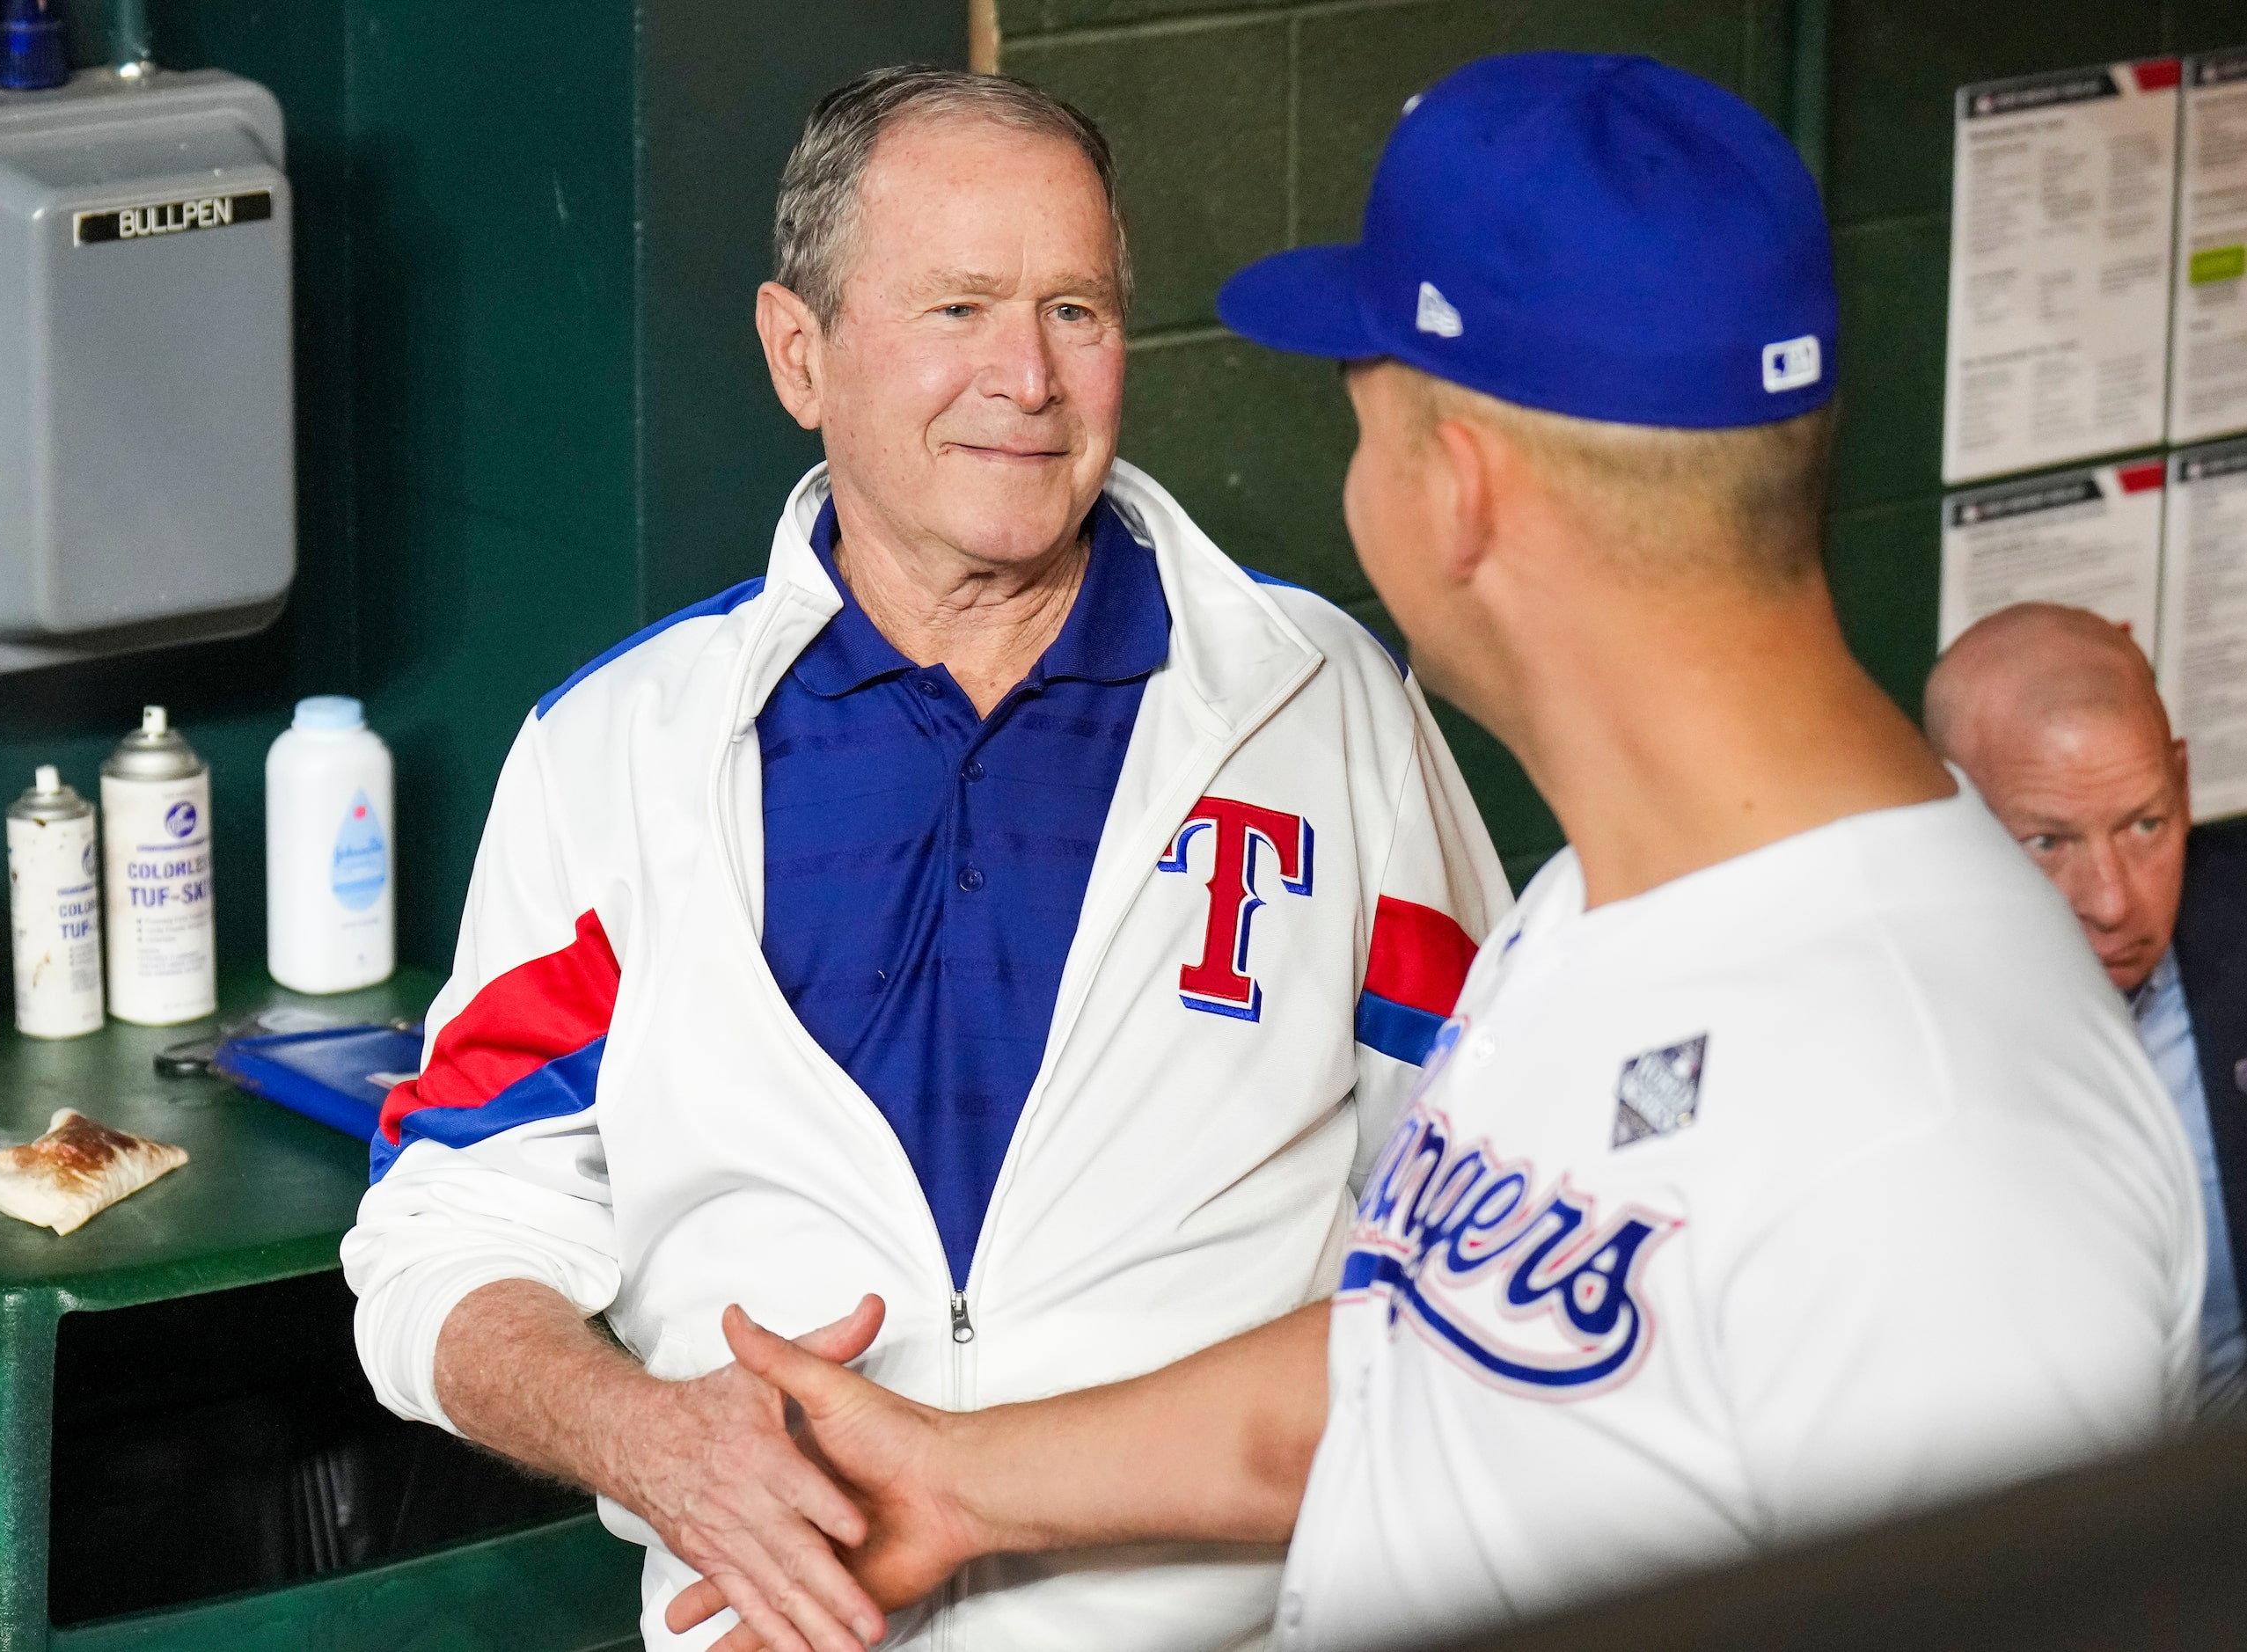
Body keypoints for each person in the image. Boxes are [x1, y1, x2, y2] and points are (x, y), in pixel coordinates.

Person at [666, 52, 2207, 1652]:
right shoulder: (1592, 910)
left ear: (1455, 490)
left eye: (1361, 421)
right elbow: (1425, 1359)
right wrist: (967, 1476)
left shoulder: (1936, 1127)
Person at [340, 65, 1509, 1652]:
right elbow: (445, 1227)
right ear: (796, 352)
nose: (1025, 376)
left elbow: (1486, 1203)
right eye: (957, 306)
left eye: (1076, 311)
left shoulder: (1317, 708)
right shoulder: (621, 752)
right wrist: (645, 1434)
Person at [1929, 602, 2247, 1416]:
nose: (2111, 901)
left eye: (2146, 825)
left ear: (2182, 780)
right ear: (1949, 820)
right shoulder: (1890, 1019)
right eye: (2049, 843)